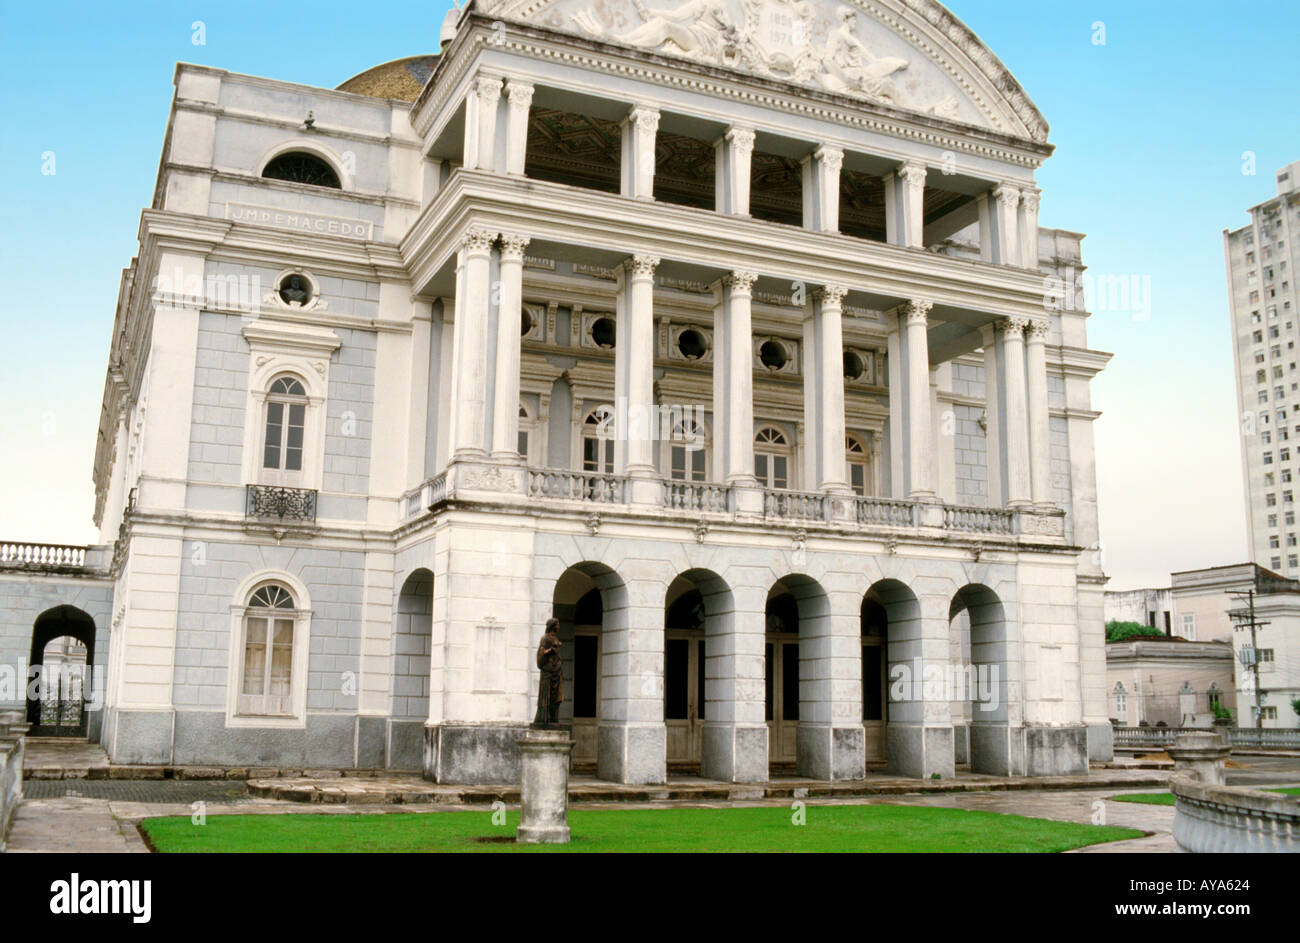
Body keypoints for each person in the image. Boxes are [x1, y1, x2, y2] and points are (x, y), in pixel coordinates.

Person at [534, 617, 564, 726]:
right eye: (557, 624)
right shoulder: (545, 638)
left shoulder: (554, 638)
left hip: (556, 672)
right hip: (548, 672)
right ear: (553, 625)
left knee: (556, 697)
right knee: (546, 696)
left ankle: (553, 718)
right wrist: (550, 650)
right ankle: (543, 719)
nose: (558, 626)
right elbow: (541, 654)